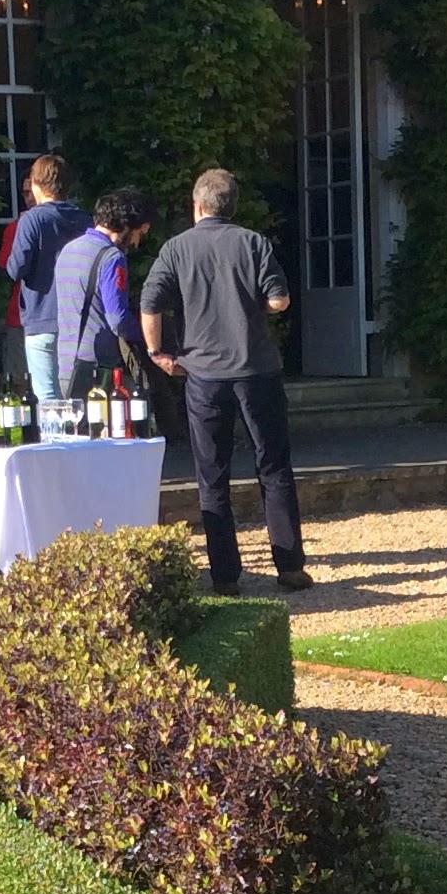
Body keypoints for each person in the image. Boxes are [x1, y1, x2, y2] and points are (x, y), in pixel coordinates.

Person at [140, 168, 310, 595]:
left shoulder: (176, 249)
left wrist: (158, 353)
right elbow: (279, 300)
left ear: (196, 206)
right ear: (232, 206)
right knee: (274, 467)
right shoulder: (254, 243)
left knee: (212, 475)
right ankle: (290, 567)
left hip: (203, 374)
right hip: (257, 370)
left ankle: (225, 575)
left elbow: (150, 303)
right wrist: (254, 303)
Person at [52, 187, 155, 397]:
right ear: (126, 226)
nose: (136, 243)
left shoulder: (68, 250)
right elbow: (117, 318)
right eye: (139, 234)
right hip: (100, 369)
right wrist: (146, 337)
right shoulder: (112, 257)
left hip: (68, 364)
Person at [4, 154, 91, 402]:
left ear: (35, 183)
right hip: (78, 320)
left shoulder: (32, 219)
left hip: (41, 317)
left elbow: (15, 268)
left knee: (48, 398)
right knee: (78, 397)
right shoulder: (85, 220)